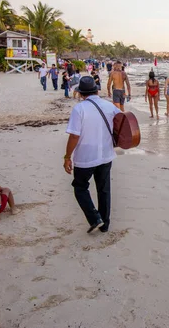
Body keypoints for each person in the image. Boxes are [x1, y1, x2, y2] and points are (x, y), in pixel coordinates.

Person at [64, 76, 121, 233]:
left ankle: (95, 218)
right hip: (105, 154)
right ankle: (105, 224)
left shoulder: (79, 109)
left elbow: (74, 136)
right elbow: (121, 124)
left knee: (80, 187)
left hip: (85, 156)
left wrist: (67, 157)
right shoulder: (109, 106)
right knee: (104, 189)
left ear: (81, 94)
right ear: (97, 90)